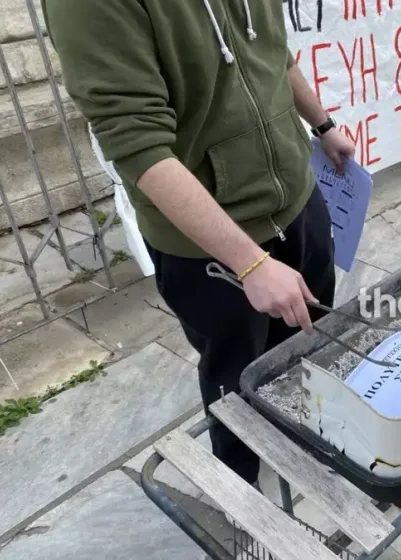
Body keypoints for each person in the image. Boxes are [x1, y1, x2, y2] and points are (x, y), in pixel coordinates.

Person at [43, 0, 355, 489]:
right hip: (209, 245)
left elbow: (273, 54)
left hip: (296, 199)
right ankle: (241, 495)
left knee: (309, 342)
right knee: (236, 378)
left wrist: (323, 124)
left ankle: (305, 438)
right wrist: (250, 264)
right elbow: (138, 147)